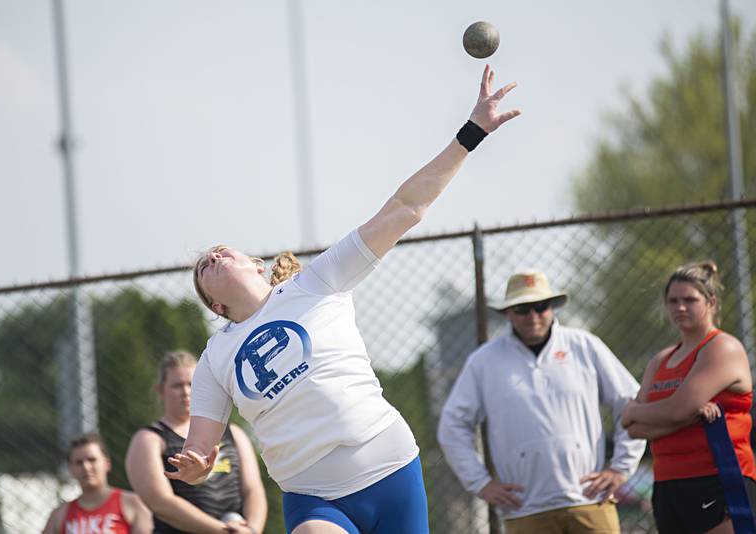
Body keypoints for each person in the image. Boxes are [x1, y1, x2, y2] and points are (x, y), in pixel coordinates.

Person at [163, 65, 521, 534]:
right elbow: (203, 450)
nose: (209, 256)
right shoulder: (215, 358)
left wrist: (471, 133)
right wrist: (199, 467)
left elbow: (405, 209)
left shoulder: (317, 282)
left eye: (221, 252)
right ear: (216, 307)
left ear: (257, 265)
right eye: (201, 270)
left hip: (390, 470)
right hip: (315, 499)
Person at [437, 270, 646, 534]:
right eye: (523, 308)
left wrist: (620, 468)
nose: (533, 316)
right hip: (524, 509)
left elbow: (632, 404)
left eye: (540, 306)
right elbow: (451, 427)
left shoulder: (584, 346)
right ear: (507, 313)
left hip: (591, 501)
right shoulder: (484, 362)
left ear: (552, 307)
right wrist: (480, 483)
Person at [621, 260, 756, 534]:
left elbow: (675, 409)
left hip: (719, 478)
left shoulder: (722, 347)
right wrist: (683, 416)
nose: (680, 307)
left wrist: (633, 411)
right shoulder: (661, 360)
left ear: (711, 302)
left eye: (690, 300)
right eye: (673, 301)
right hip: (668, 484)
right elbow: (634, 430)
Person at [125, 350, 267, 534]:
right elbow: (161, 502)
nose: (185, 392)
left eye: (192, 384)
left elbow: (253, 490)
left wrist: (252, 530)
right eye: (177, 385)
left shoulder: (233, 433)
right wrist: (223, 531)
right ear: (160, 390)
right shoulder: (149, 439)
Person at [42, 432, 152, 534]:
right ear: (71, 469)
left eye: (92, 460)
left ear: (107, 463)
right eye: (78, 463)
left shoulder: (133, 504)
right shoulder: (60, 514)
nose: (86, 467)